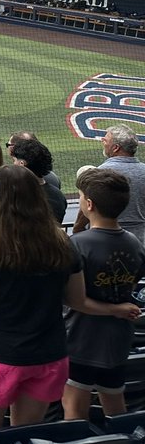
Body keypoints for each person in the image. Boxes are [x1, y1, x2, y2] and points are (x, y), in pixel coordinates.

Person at [0, 165, 140, 444]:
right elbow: (76, 300)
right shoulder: (63, 242)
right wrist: (115, 309)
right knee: (26, 438)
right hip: (49, 357)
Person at [63, 168, 145, 421]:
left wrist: (114, 309)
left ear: (88, 204)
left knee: (74, 410)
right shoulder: (134, 243)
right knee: (115, 407)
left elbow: (75, 300)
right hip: (118, 339)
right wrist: (118, 308)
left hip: (81, 339)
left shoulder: (77, 244)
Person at [76, 126, 145, 243]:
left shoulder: (100, 173)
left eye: (106, 140)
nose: (102, 141)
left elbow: (86, 209)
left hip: (104, 240)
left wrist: (77, 228)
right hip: (140, 240)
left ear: (116, 148)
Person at [10, 138, 66, 224]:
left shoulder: (16, 195)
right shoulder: (58, 195)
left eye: (14, 160)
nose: (13, 164)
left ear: (22, 164)